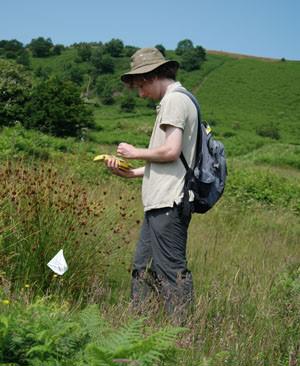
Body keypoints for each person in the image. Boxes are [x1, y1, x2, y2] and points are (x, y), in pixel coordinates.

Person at [106, 47, 198, 317]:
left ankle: (180, 338)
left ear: (152, 76)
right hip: (160, 202)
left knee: (171, 270)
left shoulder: (174, 101)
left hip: (169, 203)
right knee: (142, 267)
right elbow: (170, 160)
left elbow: (171, 150)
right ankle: (140, 330)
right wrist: (131, 172)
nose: (140, 93)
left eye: (140, 86)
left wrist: (135, 152)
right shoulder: (175, 100)